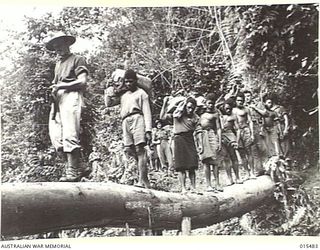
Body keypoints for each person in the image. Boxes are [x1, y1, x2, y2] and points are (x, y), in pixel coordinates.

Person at [45, 32, 90, 182]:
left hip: (72, 95)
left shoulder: (77, 59)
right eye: (55, 47)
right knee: (56, 137)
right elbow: (55, 85)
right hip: (58, 99)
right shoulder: (58, 64)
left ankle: (73, 170)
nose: (58, 49)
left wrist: (62, 85)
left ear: (67, 44)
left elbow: (82, 82)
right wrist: (53, 99)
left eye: (61, 45)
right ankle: (79, 165)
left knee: (70, 134)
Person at [105, 69, 152, 188]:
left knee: (140, 149)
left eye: (131, 81)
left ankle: (142, 180)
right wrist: (108, 88)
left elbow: (147, 112)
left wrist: (148, 130)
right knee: (129, 150)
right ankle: (144, 177)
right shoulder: (123, 95)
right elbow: (108, 103)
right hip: (125, 121)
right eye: (126, 82)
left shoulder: (142, 93)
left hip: (138, 118)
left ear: (136, 81)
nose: (128, 84)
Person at [160, 96, 200, 194]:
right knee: (181, 165)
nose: (190, 110)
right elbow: (162, 117)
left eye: (192, 108)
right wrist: (165, 103)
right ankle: (183, 188)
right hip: (179, 139)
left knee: (192, 165)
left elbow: (199, 131)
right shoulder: (177, 115)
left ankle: (193, 188)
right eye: (188, 107)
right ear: (185, 106)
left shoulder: (195, 117)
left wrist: (200, 144)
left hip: (190, 139)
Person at [197, 93, 222, 192]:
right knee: (206, 161)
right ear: (206, 103)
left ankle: (217, 184)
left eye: (213, 103)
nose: (211, 105)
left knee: (215, 161)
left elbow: (219, 128)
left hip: (212, 135)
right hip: (202, 136)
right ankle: (208, 185)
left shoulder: (215, 114)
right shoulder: (200, 113)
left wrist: (219, 141)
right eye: (209, 103)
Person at [219, 99, 243, 185]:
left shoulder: (233, 117)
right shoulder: (220, 116)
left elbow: (238, 129)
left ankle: (237, 177)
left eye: (229, 108)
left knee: (233, 157)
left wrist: (237, 140)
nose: (228, 110)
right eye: (226, 108)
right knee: (226, 158)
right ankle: (230, 178)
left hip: (230, 136)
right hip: (222, 136)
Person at [233, 92, 255, 179]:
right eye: (238, 100)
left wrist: (252, 134)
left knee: (249, 151)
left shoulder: (246, 110)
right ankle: (247, 173)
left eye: (241, 101)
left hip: (245, 130)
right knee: (242, 153)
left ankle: (252, 172)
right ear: (236, 101)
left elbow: (250, 121)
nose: (240, 102)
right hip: (237, 133)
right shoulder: (233, 110)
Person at [243, 90, 266, 173]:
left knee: (262, 148)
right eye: (245, 97)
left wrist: (255, 108)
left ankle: (266, 167)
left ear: (251, 96)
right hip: (248, 128)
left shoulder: (257, 104)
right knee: (253, 149)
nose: (247, 98)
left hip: (258, 127)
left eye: (248, 96)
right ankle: (258, 169)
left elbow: (264, 114)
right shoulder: (243, 107)